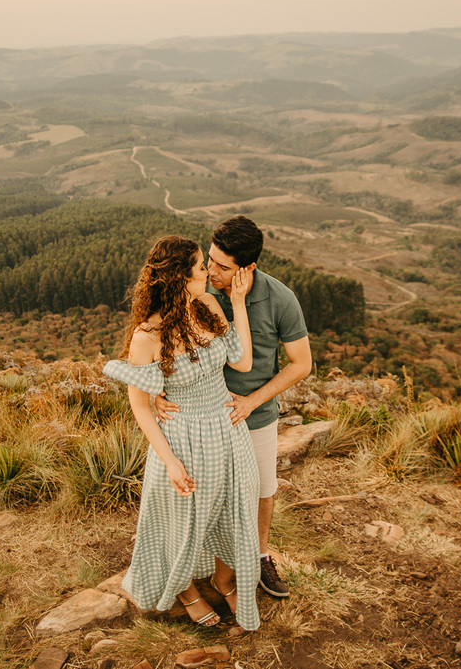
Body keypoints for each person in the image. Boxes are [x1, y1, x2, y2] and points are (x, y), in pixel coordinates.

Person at [102, 235, 261, 631]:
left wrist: (238, 303)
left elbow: (241, 363)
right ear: (179, 277)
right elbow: (140, 405)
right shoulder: (147, 336)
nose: (208, 272)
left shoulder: (207, 306)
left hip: (227, 429)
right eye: (201, 268)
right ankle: (185, 590)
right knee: (182, 519)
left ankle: (224, 581)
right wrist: (171, 463)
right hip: (183, 438)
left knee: (235, 508)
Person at [156, 216, 312, 599]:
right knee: (199, 492)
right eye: (209, 260)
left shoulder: (279, 298)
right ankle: (197, 567)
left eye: (222, 267)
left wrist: (252, 401)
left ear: (248, 268)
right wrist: (154, 393)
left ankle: (259, 557)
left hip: (253, 415)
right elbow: (159, 341)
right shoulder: (197, 290)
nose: (211, 271)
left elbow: (302, 363)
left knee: (260, 490)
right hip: (195, 418)